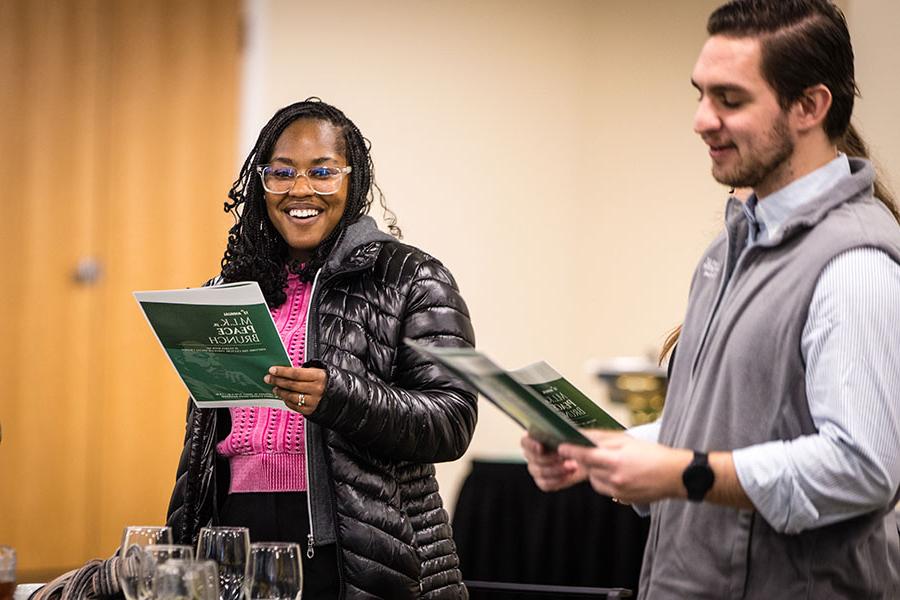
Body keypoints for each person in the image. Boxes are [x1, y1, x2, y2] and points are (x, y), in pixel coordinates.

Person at [522, 1, 900, 598]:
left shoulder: (855, 265)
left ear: (810, 106)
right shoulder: (725, 252)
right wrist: (610, 450)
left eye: (730, 99)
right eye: (700, 94)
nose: (701, 120)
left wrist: (684, 473)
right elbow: (724, 427)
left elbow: (862, 469)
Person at [166, 98, 477, 599]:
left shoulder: (412, 279)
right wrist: (184, 546)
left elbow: (452, 421)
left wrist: (338, 397)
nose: (300, 190)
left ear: (352, 181)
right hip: (230, 537)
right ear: (261, 183)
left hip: (356, 547)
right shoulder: (230, 288)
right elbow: (205, 445)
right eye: (282, 173)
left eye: (323, 172)